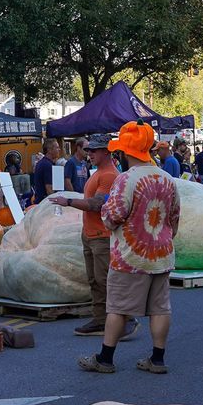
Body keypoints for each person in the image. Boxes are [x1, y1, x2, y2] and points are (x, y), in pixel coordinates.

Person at [79, 122, 180, 375]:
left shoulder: (125, 180)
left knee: (117, 307)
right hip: (162, 254)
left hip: (130, 256)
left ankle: (105, 358)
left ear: (125, 152)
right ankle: (157, 359)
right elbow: (175, 217)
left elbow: (112, 217)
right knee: (160, 308)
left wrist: (106, 217)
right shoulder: (167, 179)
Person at [64, 133, 117, 340]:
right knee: (95, 280)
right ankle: (100, 319)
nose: (90, 153)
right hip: (91, 235)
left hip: (102, 236)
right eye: (88, 150)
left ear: (106, 151)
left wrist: (68, 202)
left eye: (94, 150)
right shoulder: (97, 173)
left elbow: (97, 204)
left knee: (105, 281)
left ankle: (124, 319)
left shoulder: (110, 175)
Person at [31, 138, 63, 204]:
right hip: (44, 205)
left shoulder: (42, 163)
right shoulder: (47, 165)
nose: (59, 150)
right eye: (57, 148)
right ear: (49, 150)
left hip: (39, 202)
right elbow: (49, 189)